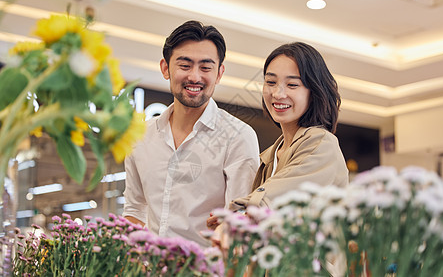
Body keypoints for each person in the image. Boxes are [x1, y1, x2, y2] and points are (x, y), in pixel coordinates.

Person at [123, 20, 260, 247]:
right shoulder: (139, 136)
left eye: (205, 68)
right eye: (185, 66)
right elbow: (135, 209)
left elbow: (240, 224)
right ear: (165, 68)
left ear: (219, 73)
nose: (195, 77)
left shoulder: (238, 137)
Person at [207, 42, 348, 229]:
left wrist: (238, 214)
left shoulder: (321, 143)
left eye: (292, 84)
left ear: (314, 92)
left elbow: (278, 198)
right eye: (271, 82)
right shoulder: (272, 154)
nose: (278, 93)